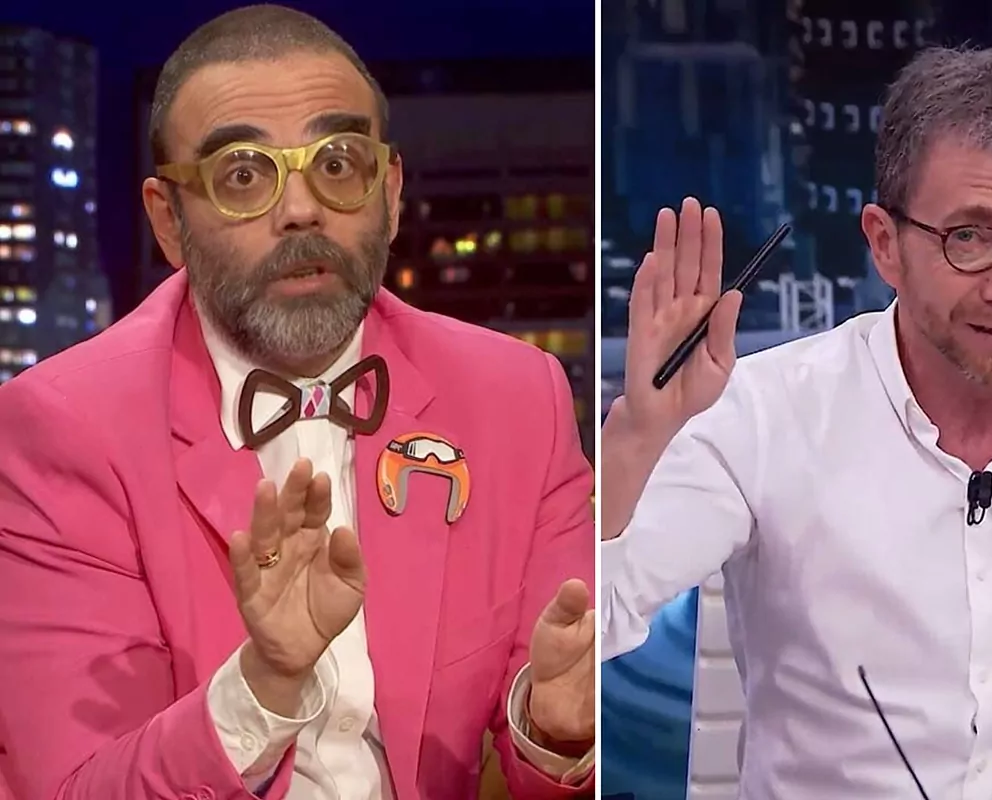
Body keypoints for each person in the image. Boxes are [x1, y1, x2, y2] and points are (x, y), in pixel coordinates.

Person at [0, 6, 594, 799]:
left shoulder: (516, 400)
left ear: (390, 192)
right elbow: (74, 787)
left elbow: (554, 740)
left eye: (338, 163)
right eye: (243, 175)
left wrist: (553, 733)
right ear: (168, 221)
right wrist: (263, 683)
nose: (302, 209)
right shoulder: (63, 430)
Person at [599, 46, 992, 800]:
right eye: (969, 238)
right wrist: (637, 434)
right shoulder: (762, 415)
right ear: (885, 243)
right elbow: (596, 619)